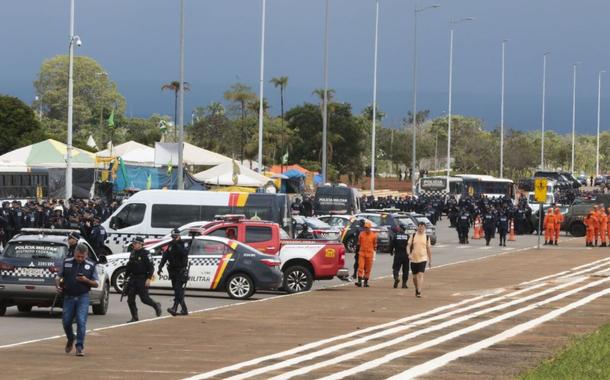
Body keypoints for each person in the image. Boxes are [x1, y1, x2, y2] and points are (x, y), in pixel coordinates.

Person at [56, 243, 99, 357]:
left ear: (86, 255)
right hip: (68, 297)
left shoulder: (91, 265)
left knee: (81, 321)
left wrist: (86, 280)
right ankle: (71, 338)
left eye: (82, 257)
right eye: (78, 256)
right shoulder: (66, 262)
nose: (80, 259)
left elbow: (96, 283)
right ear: (75, 253)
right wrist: (58, 285)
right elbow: (58, 277)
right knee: (66, 322)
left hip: (83, 297)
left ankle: (79, 347)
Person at [126, 237, 162, 322]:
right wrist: (126, 277)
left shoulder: (146, 253)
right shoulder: (133, 253)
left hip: (142, 278)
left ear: (141, 244)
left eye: (135, 243)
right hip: (133, 278)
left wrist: (149, 279)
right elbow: (129, 266)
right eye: (133, 243)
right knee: (130, 299)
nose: (133, 245)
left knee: (144, 299)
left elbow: (151, 267)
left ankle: (156, 305)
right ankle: (134, 317)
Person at [158, 228, 189, 316]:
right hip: (172, 271)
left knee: (178, 290)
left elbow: (184, 253)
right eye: (173, 237)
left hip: (180, 271)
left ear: (179, 236)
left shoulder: (183, 244)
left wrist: (177, 245)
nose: (174, 238)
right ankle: (184, 309)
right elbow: (165, 256)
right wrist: (160, 267)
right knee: (177, 290)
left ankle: (174, 308)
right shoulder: (171, 244)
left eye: (176, 236)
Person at [409, 222, 432, 298]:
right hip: (414, 258)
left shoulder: (427, 237)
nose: (421, 229)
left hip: (423, 258)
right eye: (420, 227)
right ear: (417, 227)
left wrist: (430, 260)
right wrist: (408, 254)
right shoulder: (413, 235)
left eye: (422, 227)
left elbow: (428, 249)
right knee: (415, 277)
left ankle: (419, 290)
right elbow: (408, 246)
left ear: (425, 228)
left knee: (420, 274)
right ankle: (416, 288)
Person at [355, 220, 377, 288]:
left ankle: (365, 282)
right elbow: (358, 243)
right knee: (360, 267)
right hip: (362, 253)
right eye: (365, 227)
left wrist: (374, 254)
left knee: (368, 269)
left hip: (370, 254)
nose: (366, 229)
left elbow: (375, 245)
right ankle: (359, 281)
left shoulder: (373, 235)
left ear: (370, 228)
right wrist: (357, 252)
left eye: (367, 227)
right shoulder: (361, 234)